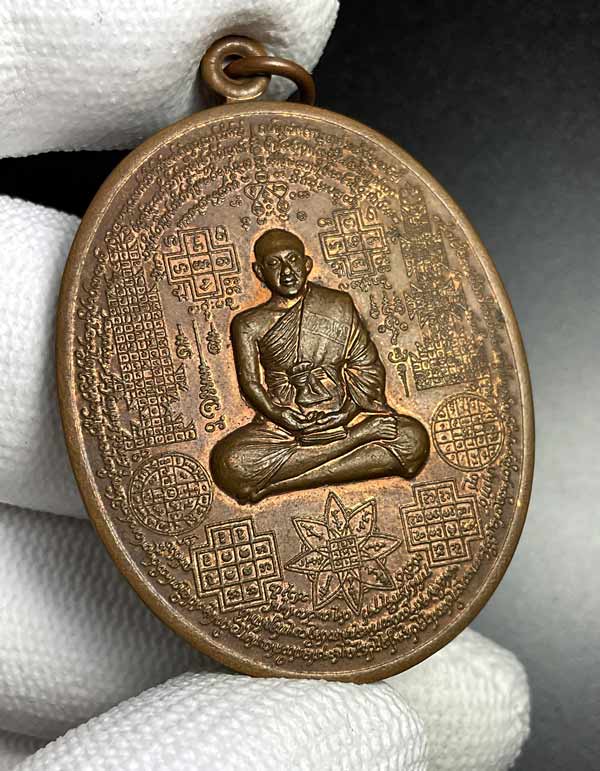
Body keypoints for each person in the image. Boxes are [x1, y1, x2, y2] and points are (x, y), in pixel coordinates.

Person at [210, 228, 429, 505]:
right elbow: (251, 383)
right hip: (285, 428)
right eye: (274, 264)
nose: (287, 272)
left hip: (344, 415)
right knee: (230, 463)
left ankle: (276, 483)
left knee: (412, 438)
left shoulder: (338, 305)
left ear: (307, 264)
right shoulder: (248, 324)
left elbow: (367, 368)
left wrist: (344, 415)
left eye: (292, 260)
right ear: (259, 272)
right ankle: (359, 438)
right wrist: (282, 416)